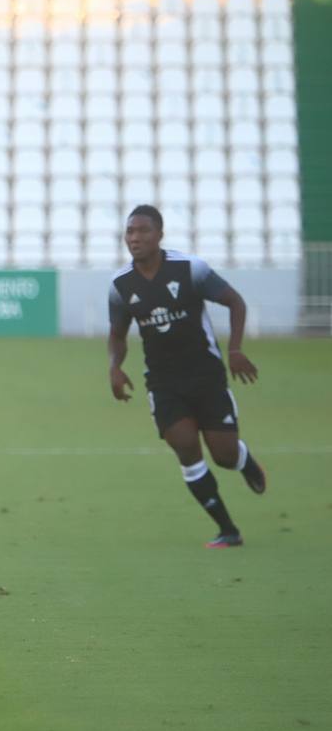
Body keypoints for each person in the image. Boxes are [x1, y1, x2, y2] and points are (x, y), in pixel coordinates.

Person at [107, 204, 266, 548]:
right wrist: (115, 367)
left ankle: (243, 460)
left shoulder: (190, 269)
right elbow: (118, 334)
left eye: (143, 231)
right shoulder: (120, 285)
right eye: (130, 232)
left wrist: (235, 350)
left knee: (223, 455)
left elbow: (235, 303)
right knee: (186, 448)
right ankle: (228, 529)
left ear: (159, 235)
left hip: (206, 375)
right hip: (163, 383)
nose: (135, 238)